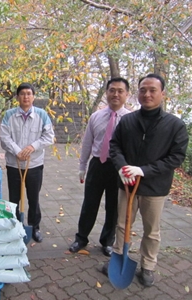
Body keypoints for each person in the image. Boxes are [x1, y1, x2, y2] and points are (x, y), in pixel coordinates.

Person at [105, 73, 189, 287]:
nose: (147, 94)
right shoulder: (127, 120)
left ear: (163, 93)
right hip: (127, 184)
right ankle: (118, 257)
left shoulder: (175, 125)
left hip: (155, 187)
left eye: (152, 90)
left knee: (151, 230)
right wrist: (122, 167)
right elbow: (115, 146)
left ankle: (148, 266)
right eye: (143, 90)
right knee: (122, 224)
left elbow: (176, 157)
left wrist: (144, 170)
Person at [69, 77, 131, 256]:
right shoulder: (96, 116)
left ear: (127, 94)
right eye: (112, 90)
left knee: (113, 207)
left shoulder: (130, 119)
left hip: (118, 168)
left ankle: (107, 241)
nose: (116, 94)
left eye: (120, 91)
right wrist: (82, 166)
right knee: (89, 204)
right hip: (97, 164)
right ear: (107, 93)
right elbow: (87, 142)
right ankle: (81, 238)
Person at [0, 83, 55, 243]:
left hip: (34, 164)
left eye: (29, 94)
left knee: (33, 197)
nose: (26, 97)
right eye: (22, 94)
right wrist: (18, 151)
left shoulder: (42, 114)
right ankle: (15, 225)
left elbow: (48, 137)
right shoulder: (9, 115)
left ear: (33, 96)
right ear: (17, 97)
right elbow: (4, 137)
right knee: (14, 198)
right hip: (14, 164)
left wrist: (32, 147)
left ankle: (34, 227)